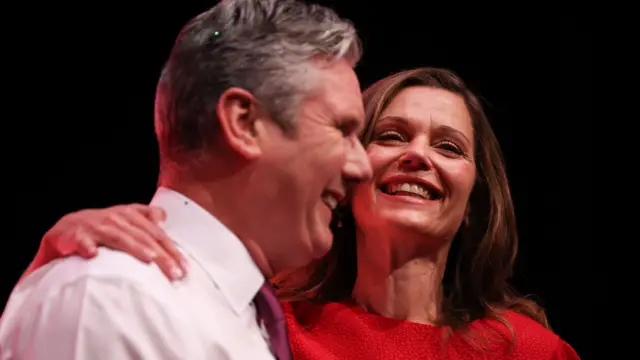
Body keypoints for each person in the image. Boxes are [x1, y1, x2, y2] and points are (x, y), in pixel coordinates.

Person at [14, 67, 581, 359]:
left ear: (477, 199)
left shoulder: (529, 351)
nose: (418, 156)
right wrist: (51, 263)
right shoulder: (269, 324)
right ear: (346, 171)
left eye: (449, 147)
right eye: (390, 135)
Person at [0, 1, 372, 359]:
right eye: (342, 130)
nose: (363, 167)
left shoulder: (242, 319)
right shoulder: (114, 299)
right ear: (244, 123)